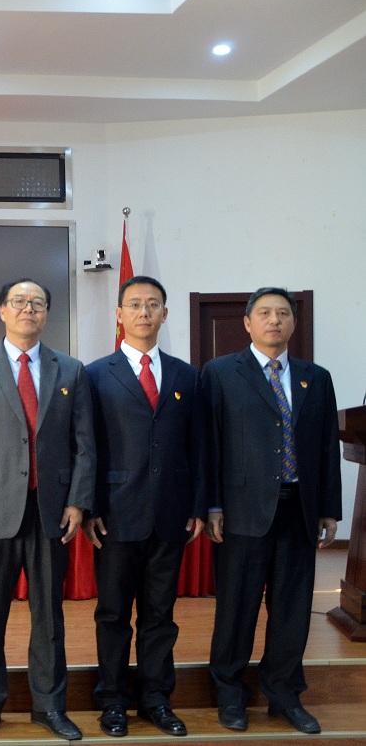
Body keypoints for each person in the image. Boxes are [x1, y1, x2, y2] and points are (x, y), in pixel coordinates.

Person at [0, 278, 94, 742]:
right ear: (2, 310)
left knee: (49, 616)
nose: (28, 309)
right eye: (19, 302)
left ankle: (49, 706)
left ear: (47, 313)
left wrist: (77, 500)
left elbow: (84, 445)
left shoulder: (71, 370)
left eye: (37, 303)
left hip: (52, 510)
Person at [203, 287, 340, 735]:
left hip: (299, 509)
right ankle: (229, 692)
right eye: (264, 313)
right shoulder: (221, 373)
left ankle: (283, 694)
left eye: (283, 313)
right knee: (237, 608)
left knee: (292, 609)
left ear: (294, 323)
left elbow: (325, 446)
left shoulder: (316, 378)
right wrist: (213, 504)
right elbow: (210, 444)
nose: (274, 320)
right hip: (241, 511)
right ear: (247, 323)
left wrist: (329, 509)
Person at [83, 275, 205, 738]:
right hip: (115, 514)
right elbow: (88, 447)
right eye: (134, 304)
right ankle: (113, 701)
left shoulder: (185, 375)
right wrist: (89, 507)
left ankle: (156, 699)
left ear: (165, 314)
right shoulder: (96, 374)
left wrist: (198, 505)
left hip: (171, 514)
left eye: (153, 304)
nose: (144, 312)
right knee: (113, 615)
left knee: (160, 615)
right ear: (119, 314)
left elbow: (198, 446)